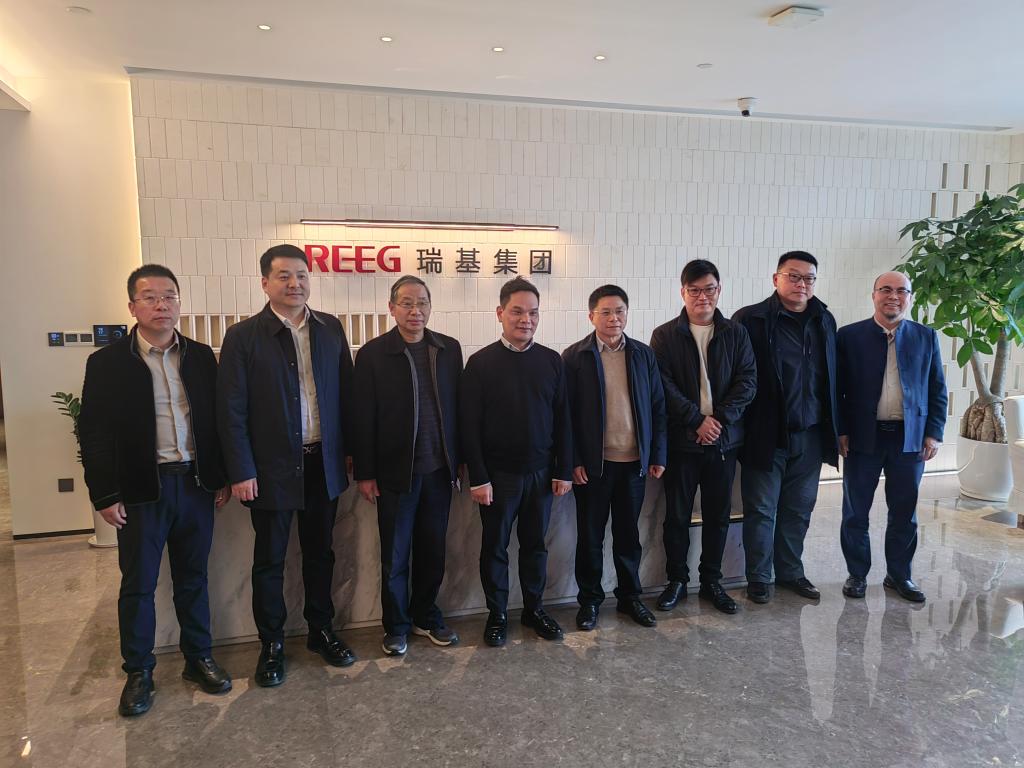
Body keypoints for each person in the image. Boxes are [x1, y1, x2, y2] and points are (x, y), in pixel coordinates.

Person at [79, 264, 231, 717]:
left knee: (194, 578)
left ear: (179, 303)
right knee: (139, 584)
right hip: (142, 492)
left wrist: (219, 476)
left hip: (195, 485)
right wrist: (105, 494)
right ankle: (139, 671)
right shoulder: (107, 363)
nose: (161, 305)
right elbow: (94, 433)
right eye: (150, 297)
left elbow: (217, 421)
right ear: (133, 307)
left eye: (169, 296)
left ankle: (198, 658)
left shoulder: (200, 356)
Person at [218, 244, 356, 687]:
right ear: (265, 283)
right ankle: (272, 644)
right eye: (284, 276)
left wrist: (351, 453)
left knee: (321, 554)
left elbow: (347, 395)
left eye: (301, 275)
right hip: (270, 469)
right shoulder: (243, 337)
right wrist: (241, 469)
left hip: (322, 464)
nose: (295, 283)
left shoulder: (331, 329)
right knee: (270, 561)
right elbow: (231, 409)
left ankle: (321, 630)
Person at [353, 275, 463, 656]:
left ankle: (425, 616)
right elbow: (362, 418)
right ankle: (396, 626)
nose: (415, 311)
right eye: (407, 303)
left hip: (439, 471)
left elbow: (459, 409)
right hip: (395, 474)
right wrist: (365, 473)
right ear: (392, 308)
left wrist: (460, 462)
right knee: (395, 555)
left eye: (422, 303)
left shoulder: (448, 349)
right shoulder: (372, 354)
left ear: (430, 307)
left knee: (433, 551)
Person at [461, 277, 573, 646]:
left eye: (533, 313)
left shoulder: (551, 361)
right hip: (498, 477)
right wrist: (479, 477)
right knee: (495, 547)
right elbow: (469, 426)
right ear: (500, 313)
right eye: (517, 312)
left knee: (535, 546)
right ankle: (497, 614)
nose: (526, 319)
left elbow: (563, 419)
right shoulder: (480, 363)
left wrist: (563, 469)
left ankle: (534, 609)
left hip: (541, 474)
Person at [650, 260, 757, 615]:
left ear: (719, 290)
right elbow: (662, 386)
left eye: (709, 289)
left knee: (718, 516)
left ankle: (712, 581)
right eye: (694, 290)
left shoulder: (736, 333)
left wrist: (718, 421)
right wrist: (696, 420)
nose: (702, 297)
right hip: (682, 442)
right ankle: (677, 581)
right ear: (683, 293)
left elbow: (747, 382)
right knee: (677, 516)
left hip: (724, 442)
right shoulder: (664, 335)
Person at [733, 251, 840, 604]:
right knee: (761, 510)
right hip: (765, 433)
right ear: (776, 278)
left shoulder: (824, 320)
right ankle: (759, 578)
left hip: (810, 433)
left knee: (799, 508)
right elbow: (735, 378)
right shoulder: (750, 320)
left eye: (808, 278)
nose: (801, 284)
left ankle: (790, 572)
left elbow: (831, 378)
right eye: (793, 276)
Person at [837, 271, 947, 602]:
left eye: (901, 291)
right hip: (863, 438)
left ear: (910, 297)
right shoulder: (849, 336)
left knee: (904, 513)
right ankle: (857, 575)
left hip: (909, 439)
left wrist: (934, 433)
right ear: (874, 295)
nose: (893, 296)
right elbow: (837, 390)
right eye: (885, 289)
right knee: (855, 511)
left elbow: (937, 388)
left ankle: (899, 575)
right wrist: (840, 430)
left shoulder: (926, 336)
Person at [562, 284, 666, 630]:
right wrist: (574, 460)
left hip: (634, 464)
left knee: (628, 536)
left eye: (619, 311)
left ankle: (630, 598)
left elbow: (658, 406)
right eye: (605, 312)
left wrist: (656, 452)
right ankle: (590, 602)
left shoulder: (642, 355)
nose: (613, 318)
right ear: (591, 316)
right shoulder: (574, 357)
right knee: (590, 537)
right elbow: (566, 415)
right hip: (594, 467)